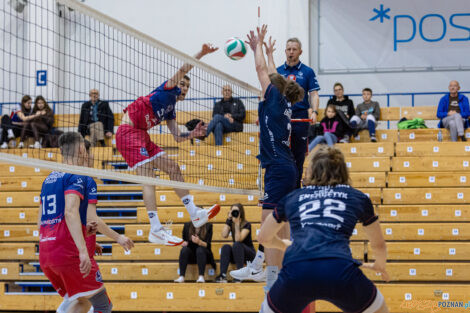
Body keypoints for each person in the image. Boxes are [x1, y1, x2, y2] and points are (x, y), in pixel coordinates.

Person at [258, 146, 390, 313]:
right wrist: (379, 265)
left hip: (297, 270)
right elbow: (378, 245)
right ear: (343, 171)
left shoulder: (293, 197)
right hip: (339, 270)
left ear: (311, 171)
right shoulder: (358, 197)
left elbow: (263, 238)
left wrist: (285, 245)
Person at [115, 43, 220, 246]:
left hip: (142, 134)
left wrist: (193, 133)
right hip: (127, 132)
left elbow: (177, 136)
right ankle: (156, 229)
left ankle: (195, 213)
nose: (184, 88)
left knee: (173, 167)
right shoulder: (167, 89)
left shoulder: (171, 109)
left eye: (188, 86)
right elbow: (183, 69)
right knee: (149, 176)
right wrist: (202, 53)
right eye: (183, 84)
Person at [230, 26, 304, 290]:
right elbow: (274, 74)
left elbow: (263, 72)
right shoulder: (284, 101)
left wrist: (257, 47)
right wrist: (271, 53)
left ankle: (263, 269)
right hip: (287, 169)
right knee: (280, 227)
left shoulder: (274, 97)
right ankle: (277, 277)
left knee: (267, 228)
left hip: (278, 170)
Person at [56, 138, 134, 313]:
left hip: (65, 249)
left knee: (80, 299)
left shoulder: (59, 178)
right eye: (89, 153)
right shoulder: (83, 179)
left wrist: (86, 239)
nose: (92, 157)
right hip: (76, 254)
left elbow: (69, 216)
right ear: (83, 153)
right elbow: (91, 219)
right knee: (99, 304)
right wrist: (118, 237)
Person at [38, 132, 113, 313]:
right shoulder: (77, 175)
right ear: (81, 148)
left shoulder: (49, 178)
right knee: (103, 304)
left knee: (82, 301)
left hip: (46, 254)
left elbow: (41, 218)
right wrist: (82, 251)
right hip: (67, 254)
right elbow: (70, 212)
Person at [277, 37, 320, 188]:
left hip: (300, 117)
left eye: (294, 49)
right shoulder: (278, 71)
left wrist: (314, 111)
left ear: (300, 52)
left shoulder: (307, 72)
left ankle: (296, 188)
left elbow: (314, 94)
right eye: (288, 49)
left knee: (298, 156)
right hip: (281, 117)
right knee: (281, 155)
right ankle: (282, 187)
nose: (291, 52)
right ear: (285, 51)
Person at [216, 203, 255, 283]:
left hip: (249, 255)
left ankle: (239, 275)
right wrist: (228, 220)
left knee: (237, 244)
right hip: (238, 253)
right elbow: (224, 235)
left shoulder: (247, 224)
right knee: (226, 246)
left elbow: (238, 239)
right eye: (232, 211)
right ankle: (223, 275)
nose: (234, 213)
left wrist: (237, 224)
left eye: (236, 211)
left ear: (241, 212)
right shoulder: (231, 222)